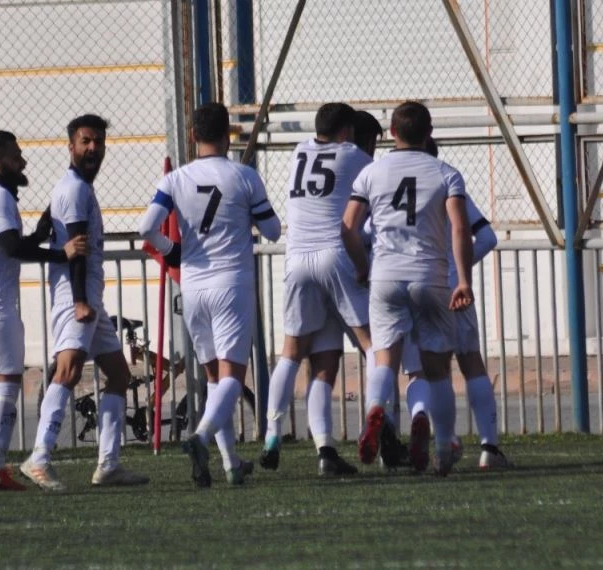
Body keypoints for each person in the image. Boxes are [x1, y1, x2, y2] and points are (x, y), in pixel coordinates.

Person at [138, 102, 281, 487]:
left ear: (193, 136)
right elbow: (272, 231)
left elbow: (146, 228)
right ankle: (200, 438)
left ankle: (231, 464)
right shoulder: (244, 176)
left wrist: (171, 250)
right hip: (231, 283)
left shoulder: (175, 179)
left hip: (193, 286)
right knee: (233, 375)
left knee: (214, 377)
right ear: (228, 135)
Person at [343, 101, 474, 476]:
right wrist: (463, 280)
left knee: (384, 358)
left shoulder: (371, 172)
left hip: (385, 274)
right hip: (429, 275)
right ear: (429, 133)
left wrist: (363, 267)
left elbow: (348, 227)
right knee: (436, 370)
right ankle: (443, 447)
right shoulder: (446, 174)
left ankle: (375, 408)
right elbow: (460, 228)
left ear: (392, 133)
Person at [20, 114, 149, 491]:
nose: (93, 148)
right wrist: (79, 301)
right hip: (76, 297)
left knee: (120, 375)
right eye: (86, 141)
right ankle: (39, 458)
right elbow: (75, 249)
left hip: (92, 298)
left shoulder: (75, 188)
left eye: (98, 142)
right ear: (71, 146)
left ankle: (108, 465)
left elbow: (49, 229)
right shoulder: (74, 189)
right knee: (68, 371)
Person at [0, 130, 87, 490]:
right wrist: (62, 254)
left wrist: (41, 234)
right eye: (15, 156)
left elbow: (7, 245)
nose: (23, 161)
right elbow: (11, 248)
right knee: (9, 383)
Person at [259, 103, 376, 477]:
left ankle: (283, 437)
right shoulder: (353, 155)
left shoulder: (299, 150)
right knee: (372, 345)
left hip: (297, 259)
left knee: (298, 355)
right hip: (334, 255)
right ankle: (380, 423)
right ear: (346, 132)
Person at [399, 137, 511, 470]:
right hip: (450, 285)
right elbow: (487, 237)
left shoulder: (390, 185)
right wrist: (458, 269)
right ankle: (489, 447)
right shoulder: (448, 182)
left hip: (409, 284)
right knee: (470, 361)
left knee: (421, 369)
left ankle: (430, 426)